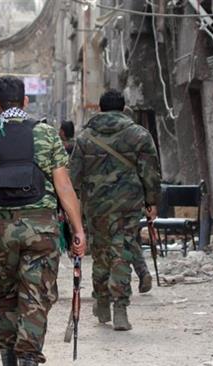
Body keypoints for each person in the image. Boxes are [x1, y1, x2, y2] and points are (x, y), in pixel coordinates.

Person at [0, 76, 86, 366]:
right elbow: (64, 187)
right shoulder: (45, 134)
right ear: (26, 101)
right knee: (36, 294)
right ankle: (28, 357)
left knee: (5, 294)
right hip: (41, 228)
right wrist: (78, 230)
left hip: (1, 229)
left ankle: (8, 357)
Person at [69, 90, 161, 331]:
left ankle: (101, 303)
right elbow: (150, 172)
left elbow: (73, 177)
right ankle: (120, 307)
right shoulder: (139, 135)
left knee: (100, 254)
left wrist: (72, 208)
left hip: (96, 208)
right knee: (122, 253)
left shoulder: (85, 138)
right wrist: (151, 202)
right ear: (123, 108)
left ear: (99, 109)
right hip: (128, 207)